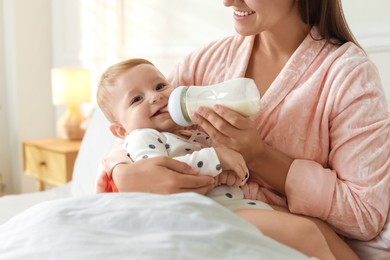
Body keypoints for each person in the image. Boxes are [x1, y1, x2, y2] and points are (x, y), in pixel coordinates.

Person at [97, 0, 389, 258]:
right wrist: (123, 175)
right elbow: (136, 132)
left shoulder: (347, 76)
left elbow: (364, 215)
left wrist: (259, 156)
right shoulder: (206, 62)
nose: (227, 2)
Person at [96, 58, 359, 259]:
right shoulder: (142, 137)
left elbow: (231, 172)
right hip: (209, 213)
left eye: (160, 86)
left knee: (313, 234)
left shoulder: (191, 134)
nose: (156, 97)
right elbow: (165, 174)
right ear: (120, 130)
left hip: (237, 205)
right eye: (137, 99)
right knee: (305, 234)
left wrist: (235, 167)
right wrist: (217, 158)